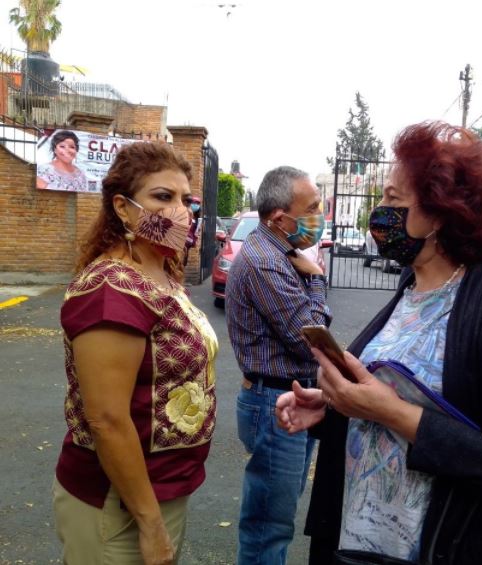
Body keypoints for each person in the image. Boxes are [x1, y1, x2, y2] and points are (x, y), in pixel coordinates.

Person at [276, 122, 482, 564]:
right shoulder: (411, 282)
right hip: (361, 546)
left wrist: (393, 413)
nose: (377, 212)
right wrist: (336, 406)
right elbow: (404, 398)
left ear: (439, 212)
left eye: (392, 199)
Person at [53, 141, 218, 564]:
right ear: (124, 209)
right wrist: (150, 522)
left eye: (186, 199)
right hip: (120, 502)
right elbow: (106, 419)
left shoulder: (162, 270)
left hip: (162, 488)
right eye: (162, 197)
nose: (180, 211)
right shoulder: (112, 288)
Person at [225, 165, 332, 565]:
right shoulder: (265, 262)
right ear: (279, 217)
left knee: (277, 516)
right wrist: (318, 278)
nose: (319, 216)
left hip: (287, 397)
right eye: (313, 207)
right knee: (268, 527)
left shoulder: (282, 253)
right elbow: (311, 338)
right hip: (274, 401)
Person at [183, 195, 202, 265]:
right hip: (181, 241)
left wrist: (195, 241)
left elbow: (196, 232)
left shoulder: (197, 219)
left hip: (188, 243)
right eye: (194, 203)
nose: (195, 205)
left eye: (198, 204)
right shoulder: (185, 214)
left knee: (184, 261)